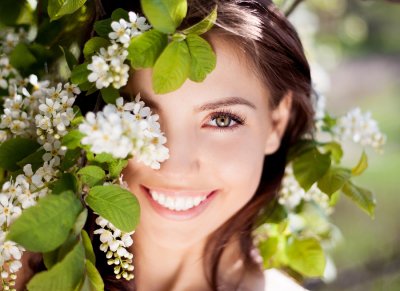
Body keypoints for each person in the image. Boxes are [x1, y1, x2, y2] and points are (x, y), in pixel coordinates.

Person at [16, 0, 314, 290]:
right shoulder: (15, 266)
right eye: (140, 115)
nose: (175, 167)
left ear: (276, 123)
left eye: (222, 120)